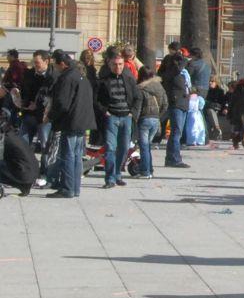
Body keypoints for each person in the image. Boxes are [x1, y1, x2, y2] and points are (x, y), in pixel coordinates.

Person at [46, 51, 95, 198]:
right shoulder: (80, 76)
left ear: (61, 63)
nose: (54, 67)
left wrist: (50, 116)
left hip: (71, 122)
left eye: (55, 64)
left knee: (67, 155)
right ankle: (74, 188)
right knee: (76, 155)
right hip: (82, 121)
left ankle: (67, 188)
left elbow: (62, 103)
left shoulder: (67, 78)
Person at [94, 53, 141, 188]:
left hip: (126, 117)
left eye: (120, 64)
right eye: (115, 64)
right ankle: (109, 178)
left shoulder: (129, 80)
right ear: (110, 65)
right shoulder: (103, 81)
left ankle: (117, 174)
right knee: (110, 148)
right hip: (111, 118)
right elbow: (96, 100)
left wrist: (133, 113)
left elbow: (138, 97)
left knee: (124, 148)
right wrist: (105, 111)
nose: (118, 67)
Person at [160, 50, 191, 169]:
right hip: (176, 103)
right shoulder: (171, 71)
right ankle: (174, 159)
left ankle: (171, 158)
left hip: (183, 103)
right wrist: (181, 60)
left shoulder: (183, 73)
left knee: (178, 132)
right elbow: (177, 68)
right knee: (176, 132)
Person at [135, 67, 167, 179]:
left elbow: (138, 107)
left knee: (144, 147)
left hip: (144, 119)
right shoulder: (160, 87)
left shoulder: (141, 89)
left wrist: (134, 119)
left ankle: (145, 171)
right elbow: (165, 105)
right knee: (147, 146)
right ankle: (150, 169)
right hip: (155, 119)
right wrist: (159, 116)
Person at [226, 79, 244, 150]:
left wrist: (229, 114)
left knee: (237, 129)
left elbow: (231, 105)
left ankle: (235, 143)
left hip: (236, 114)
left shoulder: (235, 93)